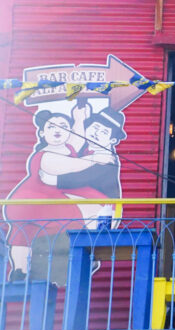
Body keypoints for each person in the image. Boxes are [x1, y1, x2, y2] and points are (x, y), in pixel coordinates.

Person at [4, 110, 109, 278]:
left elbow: (77, 139)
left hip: (45, 199)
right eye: (51, 126)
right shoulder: (44, 155)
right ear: (43, 133)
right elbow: (67, 165)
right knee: (82, 215)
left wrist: (79, 119)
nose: (58, 130)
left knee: (24, 234)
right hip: (34, 200)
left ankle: (20, 271)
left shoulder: (67, 147)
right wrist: (95, 159)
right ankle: (84, 255)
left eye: (64, 126)